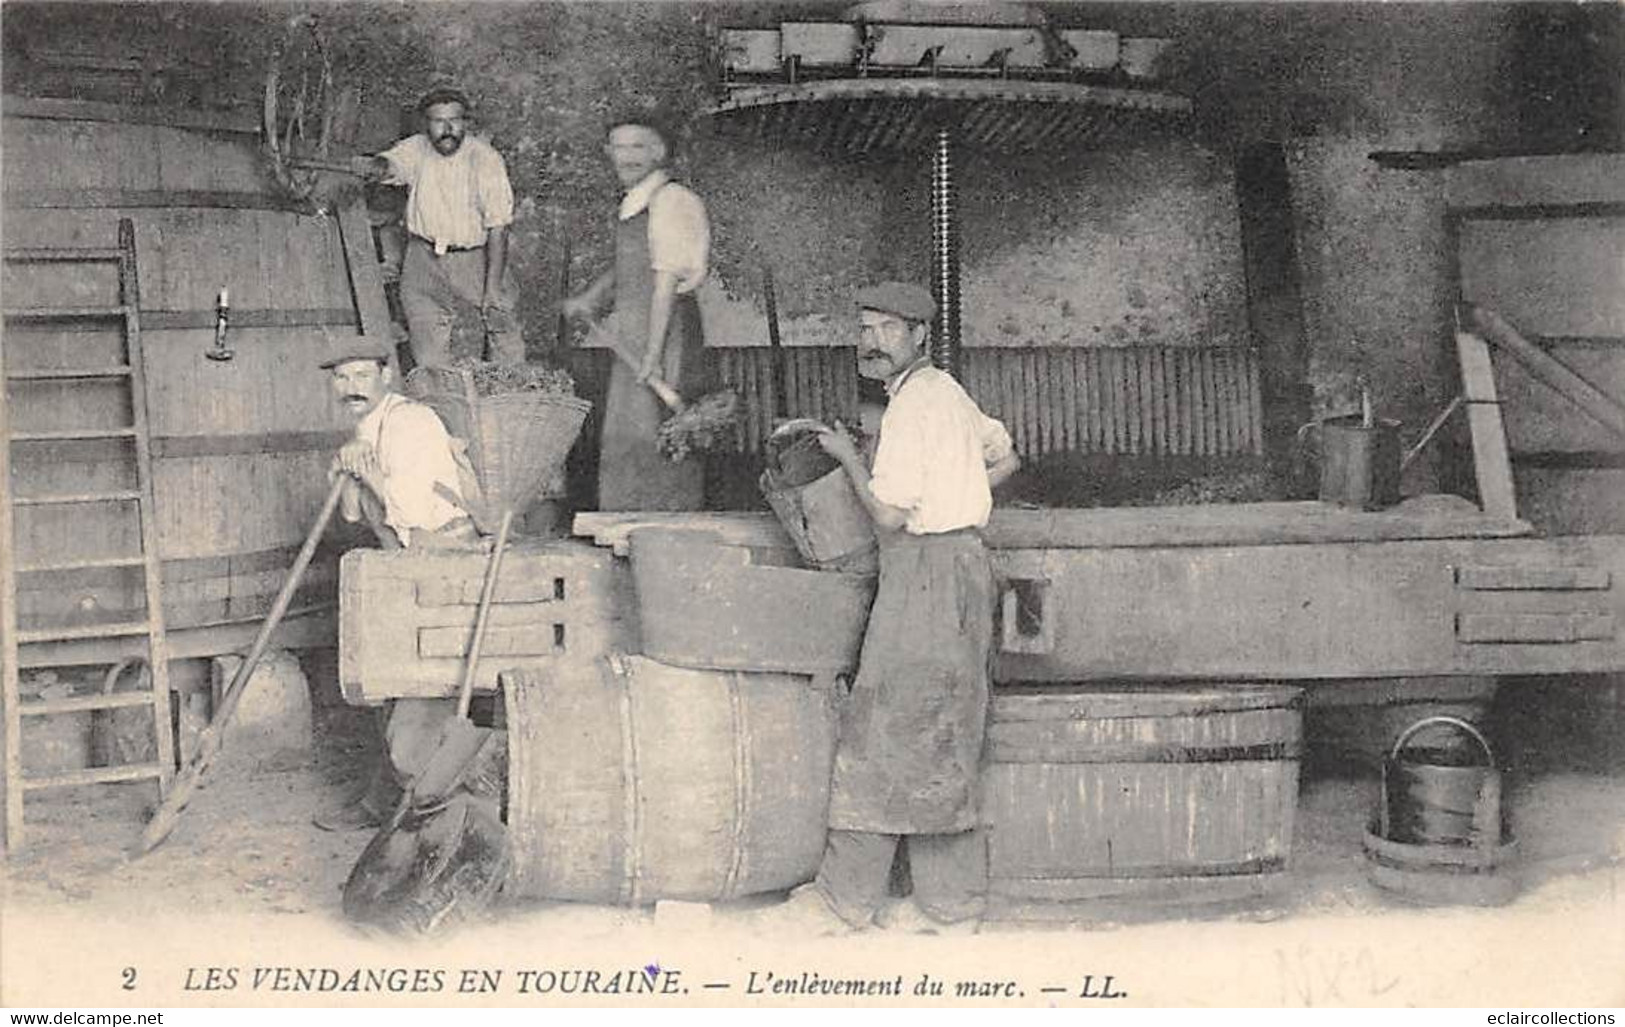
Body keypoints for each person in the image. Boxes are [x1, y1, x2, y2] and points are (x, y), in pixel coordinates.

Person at [791, 282, 1020, 932]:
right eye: (865, 328)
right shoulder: (946, 391)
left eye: (888, 328)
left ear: (920, 334)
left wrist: (843, 457)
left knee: (882, 725)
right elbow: (1006, 459)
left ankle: (845, 900)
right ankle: (951, 907)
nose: (872, 341)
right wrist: (957, 493)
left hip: (923, 572)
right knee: (946, 728)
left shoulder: (909, 409)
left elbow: (889, 514)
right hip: (964, 564)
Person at [314, 342, 487, 832]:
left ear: (385, 376)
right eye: (341, 377)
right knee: (389, 682)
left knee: (419, 690)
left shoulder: (411, 423)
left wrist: (365, 475)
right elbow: (350, 515)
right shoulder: (367, 428)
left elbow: (410, 514)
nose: (351, 387)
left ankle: (413, 807)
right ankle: (388, 801)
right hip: (404, 559)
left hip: (442, 558)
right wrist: (351, 468)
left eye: (361, 375)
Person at [561, 110, 711, 511]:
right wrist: (590, 298)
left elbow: (664, 283)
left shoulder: (672, 200)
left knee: (660, 433)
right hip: (631, 330)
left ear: (659, 152)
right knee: (624, 432)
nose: (627, 157)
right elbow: (629, 262)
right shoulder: (634, 202)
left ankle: (666, 525)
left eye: (638, 147)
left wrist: (652, 354)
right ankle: (623, 521)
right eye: (620, 147)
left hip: (665, 331)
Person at [351, 85, 522, 369]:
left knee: (501, 322)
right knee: (426, 333)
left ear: (465, 122)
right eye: (438, 121)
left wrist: (491, 287)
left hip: (474, 257)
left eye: (454, 120)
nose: (447, 129)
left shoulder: (485, 159)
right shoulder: (417, 148)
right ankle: (438, 400)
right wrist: (373, 166)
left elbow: (498, 228)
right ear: (426, 124)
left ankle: (516, 395)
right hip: (422, 258)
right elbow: (392, 165)